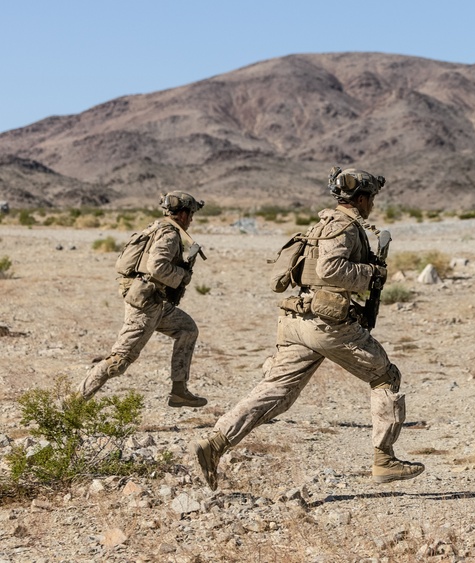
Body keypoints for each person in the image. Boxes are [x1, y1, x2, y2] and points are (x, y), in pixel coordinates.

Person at [194, 167, 424, 490]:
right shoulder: (344, 226)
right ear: (361, 198)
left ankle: (215, 443)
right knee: (385, 376)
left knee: (277, 392)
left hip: (298, 321)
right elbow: (330, 269)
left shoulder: (325, 222)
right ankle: (384, 458)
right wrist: (370, 272)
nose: (371, 204)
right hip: (327, 325)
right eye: (370, 198)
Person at [77, 191, 208, 407]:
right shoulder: (170, 234)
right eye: (191, 214)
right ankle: (73, 401)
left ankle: (179, 391)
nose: (192, 219)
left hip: (153, 302)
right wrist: (183, 275)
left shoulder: (156, 226)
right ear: (183, 213)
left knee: (187, 329)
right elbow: (157, 267)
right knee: (119, 361)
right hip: (146, 306)